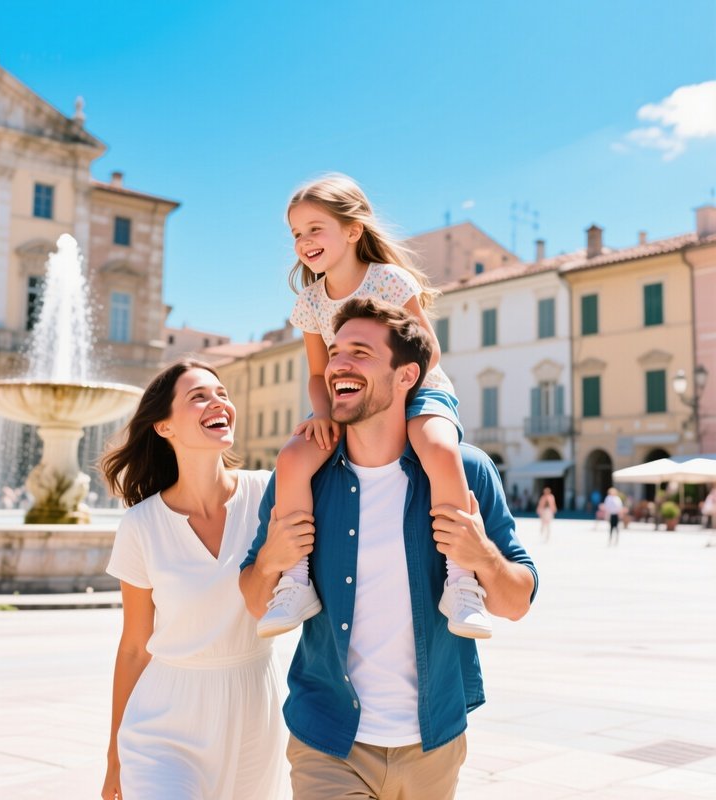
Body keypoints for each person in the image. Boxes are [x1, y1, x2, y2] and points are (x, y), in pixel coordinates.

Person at [240, 298, 538, 800]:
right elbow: (253, 600)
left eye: (360, 352)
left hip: (434, 743)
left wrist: (480, 554)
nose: (338, 365)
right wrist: (272, 555)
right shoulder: (301, 476)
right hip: (327, 743)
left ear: (407, 377)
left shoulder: (466, 471)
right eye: (335, 353)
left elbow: (517, 603)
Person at [259, 173, 491, 641]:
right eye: (296, 234)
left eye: (314, 228)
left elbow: (429, 351)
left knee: (439, 451)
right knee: (292, 458)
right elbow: (315, 371)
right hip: (345, 398)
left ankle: (463, 582)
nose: (304, 241)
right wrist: (323, 415)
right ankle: (295, 579)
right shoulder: (310, 301)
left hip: (418, 386)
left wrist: (398, 398)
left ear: (352, 230)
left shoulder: (387, 279)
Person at [99, 360, 289, 800]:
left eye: (221, 393)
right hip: (165, 720)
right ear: (163, 427)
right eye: (199, 396)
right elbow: (133, 647)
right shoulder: (141, 525)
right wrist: (114, 756)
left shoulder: (269, 494)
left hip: (254, 712)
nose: (218, 401)